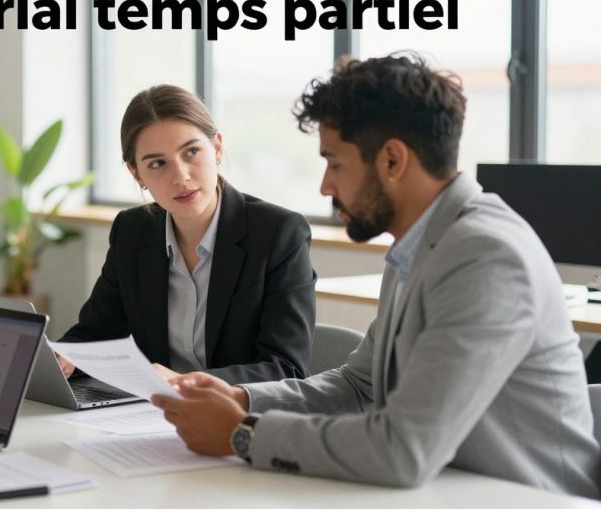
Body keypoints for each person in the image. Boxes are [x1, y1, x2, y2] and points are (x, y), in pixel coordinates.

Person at [153, 54, 601, 497]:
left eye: (335, 163)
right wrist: (244, 399)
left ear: (391, 160)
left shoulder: (485, 256)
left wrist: (243, 433)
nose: (325, 186)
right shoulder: (419, 245)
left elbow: (403, 449)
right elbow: (360, 385)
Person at [58, 84, 316, 384]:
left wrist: (185, 383)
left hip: (238, 410)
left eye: (191, 152)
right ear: (136, 173)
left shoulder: (278, 233)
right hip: (151, 408)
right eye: (157, 163)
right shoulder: (132, 231)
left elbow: (285, 368)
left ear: (217, 148)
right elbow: (95, 333)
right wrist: (64, 358)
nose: (180, 176)